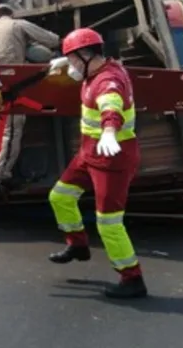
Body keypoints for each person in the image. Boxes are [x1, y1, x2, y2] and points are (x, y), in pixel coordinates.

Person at [46, 28, 146, 299]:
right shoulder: (96, 68)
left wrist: (110, 130)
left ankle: (132, 278)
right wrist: (66, 60)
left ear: (87, 56)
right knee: (60, 197)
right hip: (89, 153)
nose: (73, 66)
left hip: (111, 157)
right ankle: (78, 245)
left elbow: (110, 106)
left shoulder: (108, 81)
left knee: (109, 223)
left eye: (74, 60)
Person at [0, 3, 62, 189]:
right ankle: (0, 174)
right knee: (11, 129)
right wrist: (59, 42)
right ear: (11, 14)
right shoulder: (17, 24)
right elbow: (48, 39)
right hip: (9, 83)